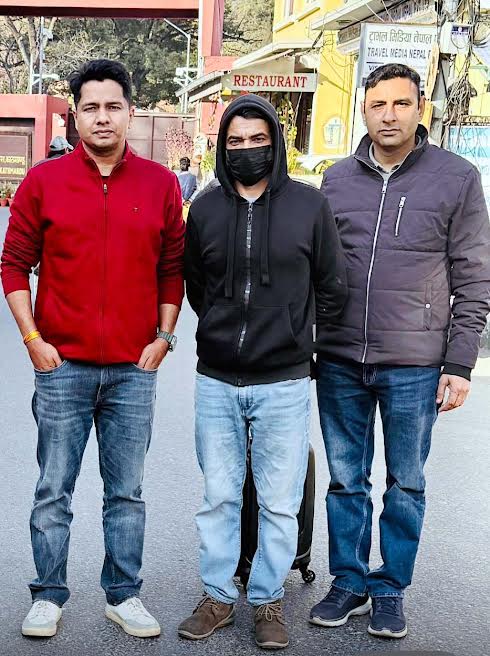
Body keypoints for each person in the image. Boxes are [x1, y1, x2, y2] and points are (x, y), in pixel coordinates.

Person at [1, 59, 185, 639]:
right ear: (74, 116)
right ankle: (48, 594)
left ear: (130, 111)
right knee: (53, 489)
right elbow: (13, 265)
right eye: (91, 107)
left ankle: (123, 595)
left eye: (113, 106)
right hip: (62, 367)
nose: (102, 117)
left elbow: (172, 269)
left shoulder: (160, 184)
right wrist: (33, 339)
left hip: (133, 369)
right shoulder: (43, 182)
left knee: (126, 493)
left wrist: (164, 338)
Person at [310, 63, 490, 639]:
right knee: (345, 479)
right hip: (339, 356)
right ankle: (348, 580)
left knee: (405, 482)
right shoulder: (337, 179)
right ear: (363, 110)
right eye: (377, 104)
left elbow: (474, 275)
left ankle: (390, 587)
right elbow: (316, 269)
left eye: (400, 104)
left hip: (415, 362)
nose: (388, 115)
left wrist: (460, 362)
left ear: (420, 110)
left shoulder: (456, 178)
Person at [180, 94, 347, 650]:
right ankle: (217, 597)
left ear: (275, 142)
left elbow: (332, 286)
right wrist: (224, 329)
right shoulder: (205, 208)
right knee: (219, 497)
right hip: (216, 378)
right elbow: (197, 286)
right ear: (222, 147)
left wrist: (297, 338)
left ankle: (269, 598)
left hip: (284, 381)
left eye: (258, 139)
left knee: (278, 500)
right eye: (235, 141)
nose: (247, 149)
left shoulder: (309, 206)